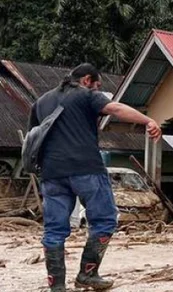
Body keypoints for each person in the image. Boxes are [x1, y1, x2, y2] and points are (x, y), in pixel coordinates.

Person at [31, 64, 162, 292]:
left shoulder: (41, 102)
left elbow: (34, 137)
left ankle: (57, 286)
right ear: (87, 80)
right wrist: (147, 121)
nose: (98, 89)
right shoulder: (86, 94)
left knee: (53, 230)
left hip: (52, 173)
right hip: (86, 168)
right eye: (98, 85)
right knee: (105, 220)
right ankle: (87, 274)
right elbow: (116, 109)